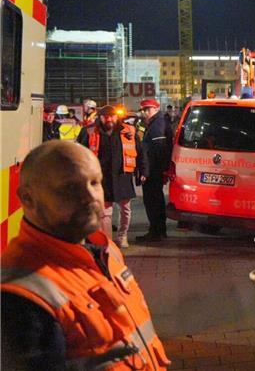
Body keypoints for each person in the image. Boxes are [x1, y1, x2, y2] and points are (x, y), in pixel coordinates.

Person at [0, 141, 169, 370]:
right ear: (27, 198)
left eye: (95, 182)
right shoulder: (19, 298)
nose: (90, 196)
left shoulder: (106, 251)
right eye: (70, 188)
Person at [77, 105, 148, 247]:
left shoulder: (128, 131)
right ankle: (107, 241)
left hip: (123, 176)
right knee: (105, 212)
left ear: (117, 117)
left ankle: (123, 236)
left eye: (112, 116)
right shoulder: (89, 131)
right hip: (102, 178)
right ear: (100, 117)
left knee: (126, 209)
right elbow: (79, 153)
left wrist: (144, 171)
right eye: (105, 116)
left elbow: (140, 152)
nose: (109, 119)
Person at [137, 99, 173, 242]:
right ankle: (159, 230)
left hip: (153, 170)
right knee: (156, 200)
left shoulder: (157, 123)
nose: (145, 112)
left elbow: (158, 148)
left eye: (148, 109)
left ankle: (155, 231)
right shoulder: (156, 122)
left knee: (153, 201)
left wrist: (151, 170)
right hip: (155, 168)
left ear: (156, 109)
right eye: (144, 110)